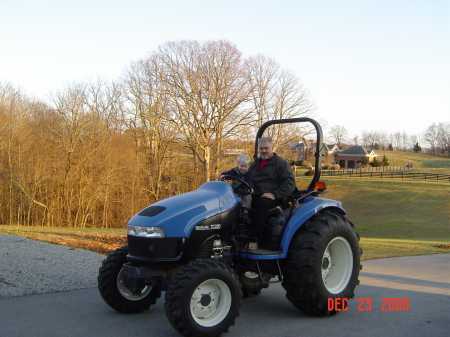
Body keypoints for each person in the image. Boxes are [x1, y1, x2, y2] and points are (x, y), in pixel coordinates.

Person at [249, 137, 296, 245]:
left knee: (262, 203)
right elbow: (247, 177)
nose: (264, 151)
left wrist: (274, 194)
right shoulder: (256, 163)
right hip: (255, 193)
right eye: (261, 148)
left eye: (266, 148)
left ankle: (256, 239)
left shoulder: (280, 163)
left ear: (272, 148)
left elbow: (289, 183)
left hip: (273, 197)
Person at [220, 154, 254, 218]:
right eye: (241, 166)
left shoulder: (248, 173)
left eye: (245, 166)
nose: (243, 168)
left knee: (247, 197)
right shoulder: (234, 171)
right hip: (235, 189)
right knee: (231, 196)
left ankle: (245, 211)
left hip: (245, 190)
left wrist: (251, 188)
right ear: (237, 164)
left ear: (248, 166)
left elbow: (250, 181)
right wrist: (223, 175)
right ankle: (231, 209)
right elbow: (227, 174)